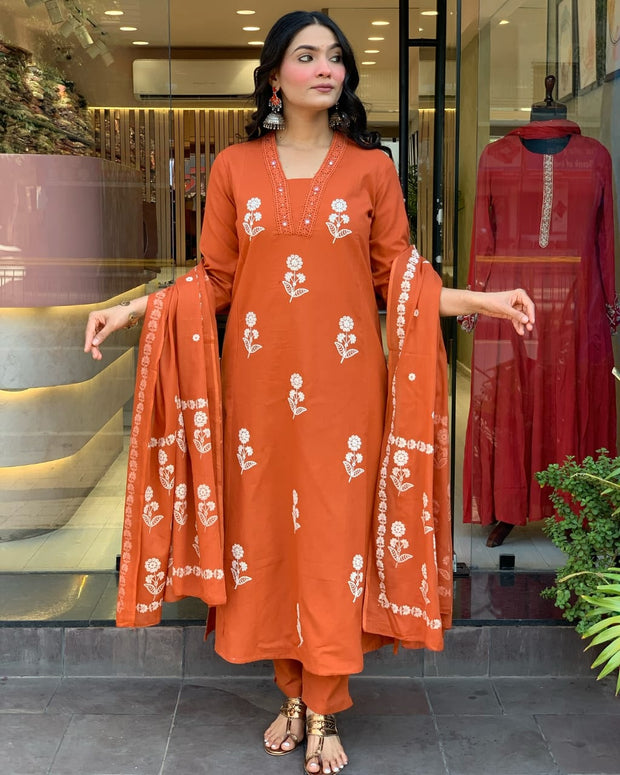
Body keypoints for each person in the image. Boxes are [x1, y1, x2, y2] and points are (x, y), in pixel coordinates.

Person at [85, 11, 534, 775]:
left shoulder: (371, 170)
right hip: (255, 396)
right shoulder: (233, 168)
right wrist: (132, 309)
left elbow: (402, 281)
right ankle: (290, 693)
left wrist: (483, 302)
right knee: (269, 541)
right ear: (274, 77)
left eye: (336, 57)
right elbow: (213, 282)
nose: (327, 69)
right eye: (307, 56)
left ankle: (324, 709)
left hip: (345, 394)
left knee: (331, 543)